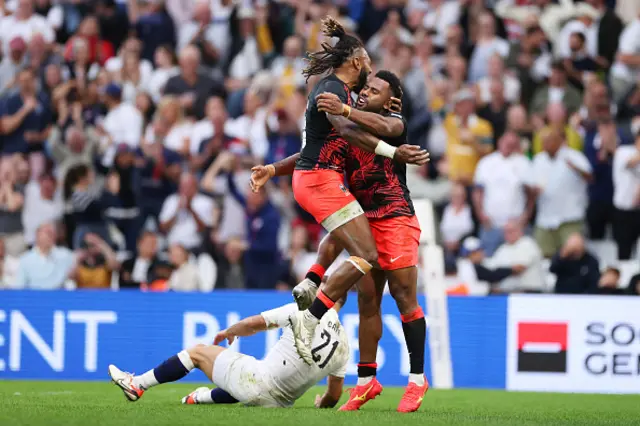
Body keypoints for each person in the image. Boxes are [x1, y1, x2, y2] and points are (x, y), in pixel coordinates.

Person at [247, 16, 428, 371]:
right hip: (321, 180)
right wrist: (392, 151)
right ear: (358, 62)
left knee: (344, 238)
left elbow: (322, 143)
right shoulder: (337, 94)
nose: (369, 78)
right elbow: (345, 129)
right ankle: (311, 315)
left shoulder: (357, 103)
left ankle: (313, 280)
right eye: (369, 68)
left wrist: (272, 169)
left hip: (317, 179)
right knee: (367, 253)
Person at [108, 292, 348, 409]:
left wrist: (228, 332)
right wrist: (321, 405)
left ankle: (137, 384)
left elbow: (255, 323)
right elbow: (334, 395)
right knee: (246, 376)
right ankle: (199, 397)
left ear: (326, 292)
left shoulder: (306, 310)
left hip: (258, 383)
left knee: (198, 353)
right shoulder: (345, 345)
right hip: (278, 406)